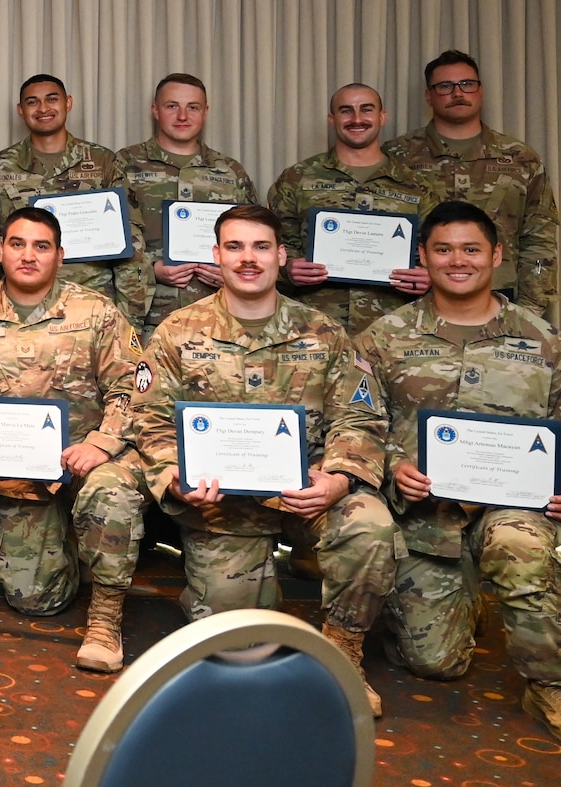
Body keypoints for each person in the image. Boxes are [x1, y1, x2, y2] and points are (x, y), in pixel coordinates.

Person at [134, 204, 400, 715]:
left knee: (371, 527)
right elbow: (149, 418)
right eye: (234, 247)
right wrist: (176, 477)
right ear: (216, 255)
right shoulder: (177, 331)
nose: (248, 259)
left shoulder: (323, 332)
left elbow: (361, 419)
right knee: (237, 652)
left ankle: (344, 655)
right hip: (223, 506)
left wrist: (340, 480)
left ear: (281, 255)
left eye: (260, 247)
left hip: (310, 494)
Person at [355, 201, 561, 743]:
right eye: (443, 249)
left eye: (471, 249)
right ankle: (456, 601)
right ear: (423, 256)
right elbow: (359, 424)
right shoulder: (383, 338)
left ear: (497, 255)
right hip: (426, 518)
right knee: (435, 663)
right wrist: (396, 468)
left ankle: (551, 688)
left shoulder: (545, 342)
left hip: (517, 507)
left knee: (518, 547)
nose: (457, 260)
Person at [0, 209, 149, 671]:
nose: (27, 255)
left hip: (91, 458)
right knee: (34, 598)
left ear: (60, 255)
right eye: (17, 244)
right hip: (20, 471)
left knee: (109, 491)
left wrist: (103, 442)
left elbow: (134, 388)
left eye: (41, 246)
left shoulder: (96, 312)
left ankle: (105, 618)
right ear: (0, 250)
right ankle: (75, 551)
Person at [383, 50, 559, 320]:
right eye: (445, 86)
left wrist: (529, 312)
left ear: (480, 90)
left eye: (467, 84)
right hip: (415, 300)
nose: (457, 93)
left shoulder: (520, 158)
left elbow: (539, 240)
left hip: (500, 297)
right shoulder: (396, 156)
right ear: (429, 95)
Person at [268, 83, 433, 335]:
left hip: (395, 328)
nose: (357, 119)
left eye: (366, 110)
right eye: (346, 111)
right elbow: (271, 244)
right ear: (332, 119)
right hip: (312, 325)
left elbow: (438, 249)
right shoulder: (298, 178)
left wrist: (429, 275)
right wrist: (287, 268)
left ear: (382, 117)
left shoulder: (416, 185)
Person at [0, 74, 151, 322]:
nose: (43, 108)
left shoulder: (103, 161)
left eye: (52, 99)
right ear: (21, 110)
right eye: (32, 102)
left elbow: (131, 242)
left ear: (68, 103)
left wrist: (129, 319)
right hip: (21, 308)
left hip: (93, 304)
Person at [118, 73, 257, 337]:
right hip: (146, 314)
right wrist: (151, 269)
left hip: (219, 315)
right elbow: (110, 237)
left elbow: (254, 236)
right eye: (172, 106)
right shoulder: (124, 164)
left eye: (192, 107)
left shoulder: (229, 171)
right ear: (155, 111)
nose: (183, 116)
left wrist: (231, 271)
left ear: (205, 112)